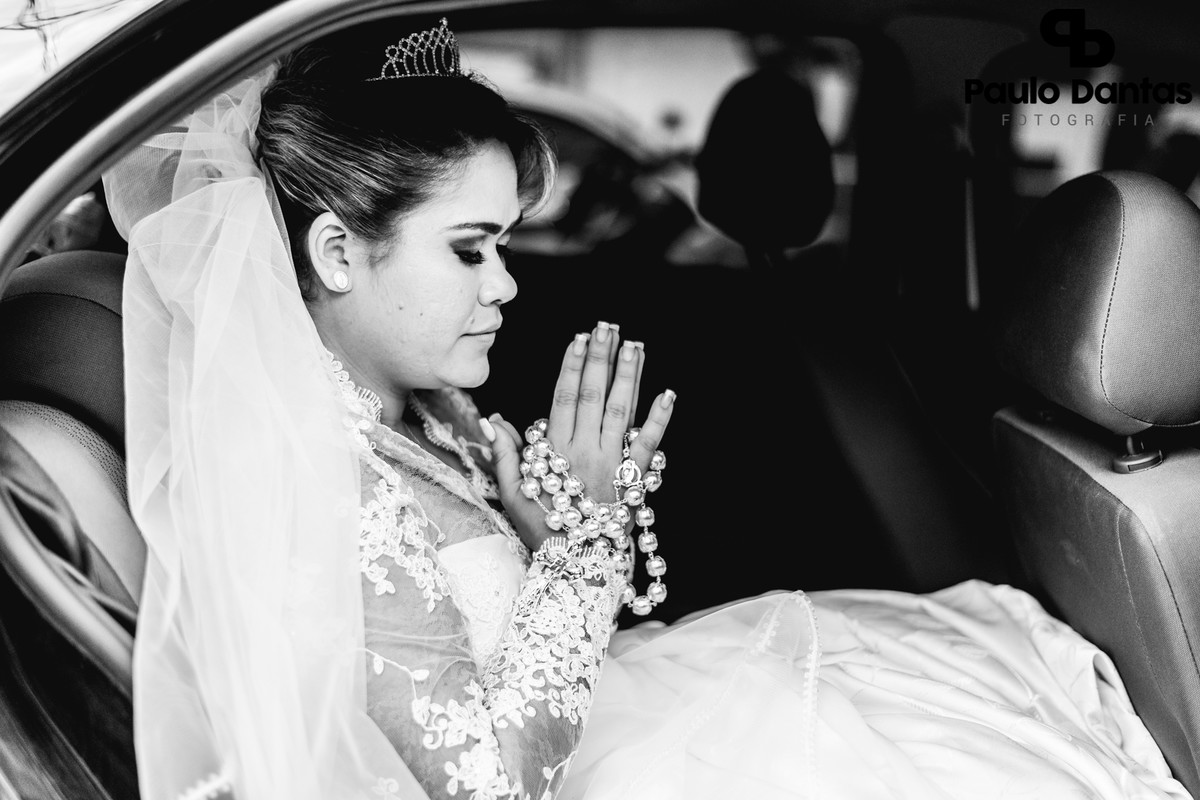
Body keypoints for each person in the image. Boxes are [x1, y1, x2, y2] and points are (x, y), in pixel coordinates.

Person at [102, 18, 1193, 800]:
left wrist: (548, 533)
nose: (506, 285)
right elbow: (488, 782)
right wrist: (583, 548)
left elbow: (524, 640)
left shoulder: (421, 414)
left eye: (507, 245)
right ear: (339, 251)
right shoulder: (321, 483)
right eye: (470, 250)